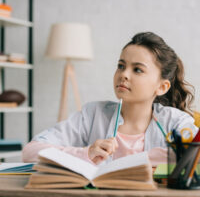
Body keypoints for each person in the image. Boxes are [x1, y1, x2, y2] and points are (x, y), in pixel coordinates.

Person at [23, 32, 198, 166]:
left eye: (137, 69)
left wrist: (132, 163)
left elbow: (194, 154)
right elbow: (31, 151)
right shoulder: (92, 114)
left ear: (162, 87)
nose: (124, 75)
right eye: (121, 66)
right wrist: (86, 153)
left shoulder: (175, 120)